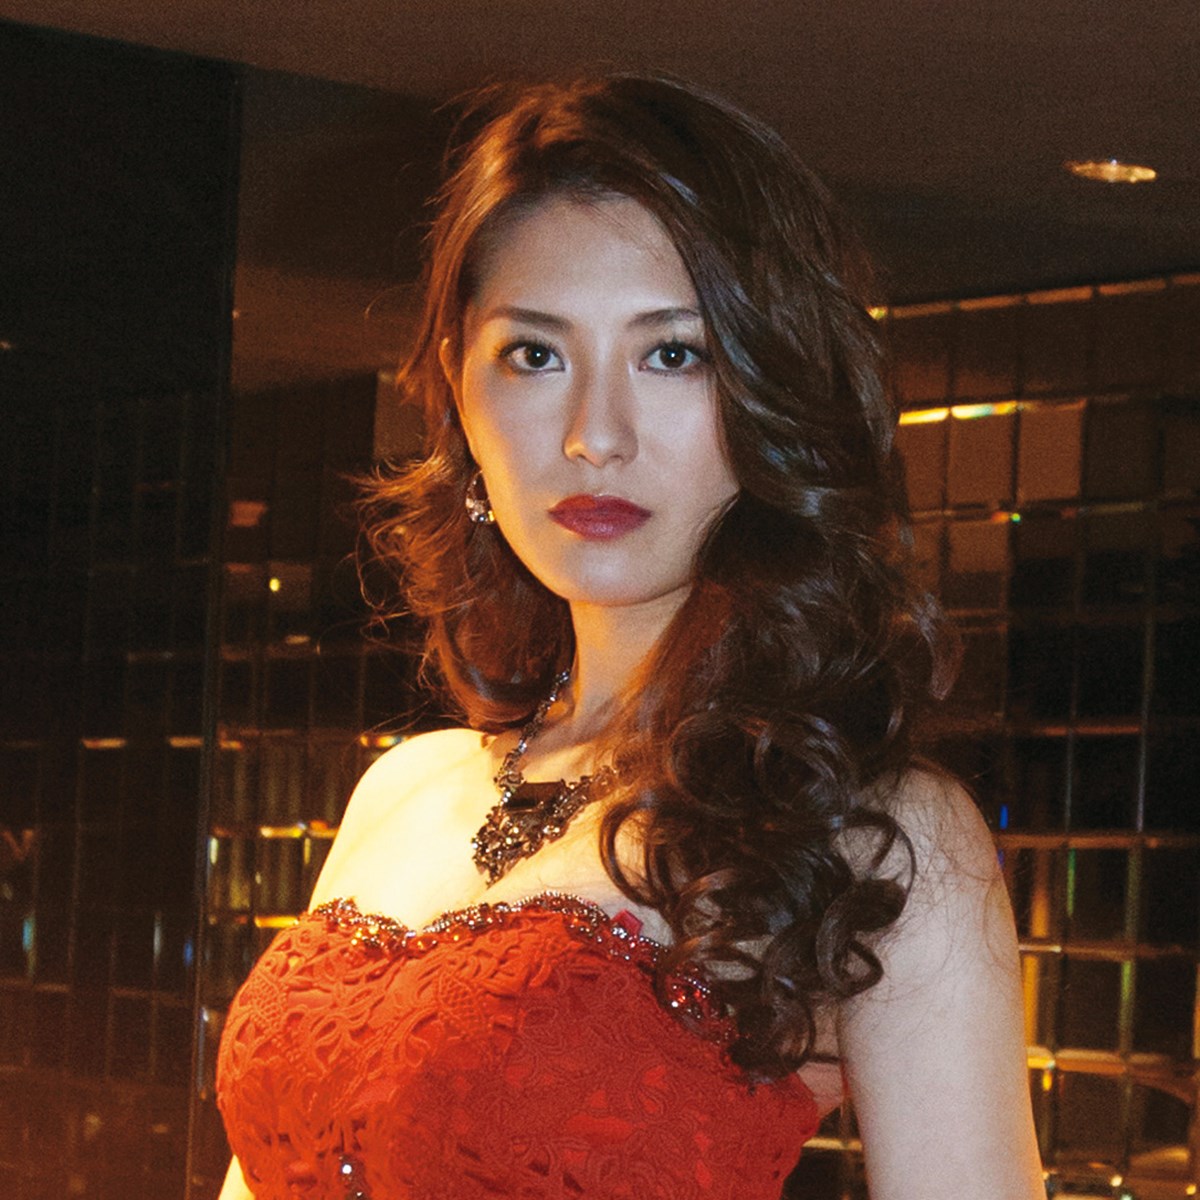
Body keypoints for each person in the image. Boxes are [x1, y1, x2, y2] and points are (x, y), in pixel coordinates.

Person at [216, 75, 1044, 1200]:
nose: (593, 436)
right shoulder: (402, 791)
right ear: (458, 389)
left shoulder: (873, 835)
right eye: (534, 355)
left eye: (672, 355)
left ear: (773, 394)